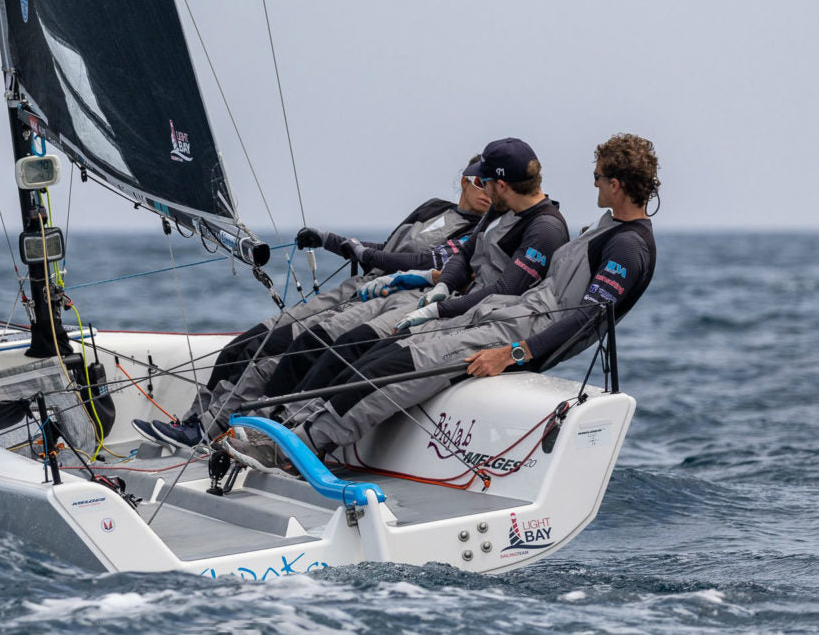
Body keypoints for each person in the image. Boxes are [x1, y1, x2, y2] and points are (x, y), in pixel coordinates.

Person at [226, 133, 659, 471]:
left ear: (616, 184)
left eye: (598, 176)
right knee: (381, 351)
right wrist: (440, 295)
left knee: (398, 366)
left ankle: (300, 448)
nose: (593, 182)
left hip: (518, 333)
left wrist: (513, 354)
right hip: (499, 314)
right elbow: (471, 259)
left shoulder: (627, 247)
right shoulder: (606, 226)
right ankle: (287, 429)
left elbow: (586, 318)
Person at [132, 156, 491, 448]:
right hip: (358, 286)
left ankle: (215, 429)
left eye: (493, 187)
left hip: (390, 296)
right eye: (480, 183)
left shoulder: (476, 233)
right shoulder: (433, 208)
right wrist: (330, 240)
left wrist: (351, 247)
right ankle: (194, 421)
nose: (487, 193)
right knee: (245, 344)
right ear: (464, 181)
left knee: (280, 354)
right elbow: (385, 249)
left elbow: (417, 262)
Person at [243, 137, 570, 417]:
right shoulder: (490, 211)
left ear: (502, 185)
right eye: (476, 181)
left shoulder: (545, 228)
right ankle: (275, 417)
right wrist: (443, 286)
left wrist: (437, 305)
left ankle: (297, 426)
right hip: (445, 303)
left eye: (485, 181)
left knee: (361, 353)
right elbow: (462, 257)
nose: (482, 188)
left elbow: (505, 289)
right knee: (326, 344)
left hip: (475, 320)